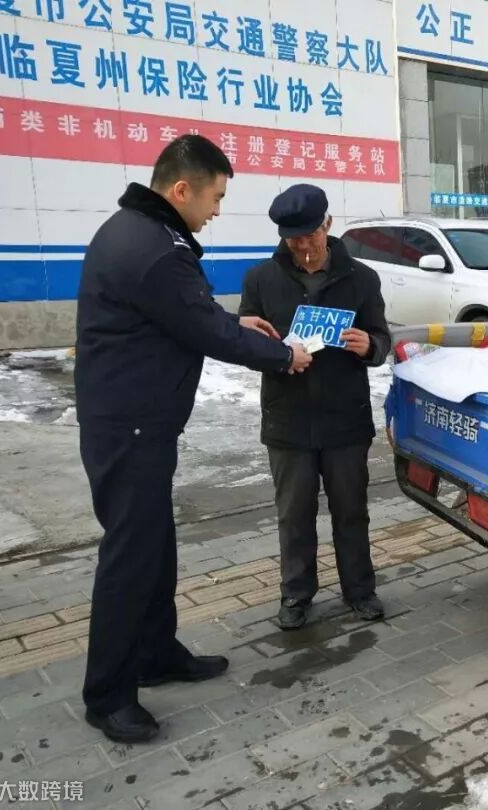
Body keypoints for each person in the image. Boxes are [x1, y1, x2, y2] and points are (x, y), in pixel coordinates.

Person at [74, 135, 311, 744]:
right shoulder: (152, 246)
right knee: (131, 556)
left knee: (154, 546)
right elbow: (203, 330)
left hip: (138, 422)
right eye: (215, 197)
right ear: (182, 189)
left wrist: (231, 320)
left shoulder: (145, 233)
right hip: (129, 427)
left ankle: (155, 654)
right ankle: (108, 696)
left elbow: (184, 315)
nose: (217, 210)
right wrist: (282, 354)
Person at [239, 184, 391, 630]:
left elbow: (382, 337)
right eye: (293, 239)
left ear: (328, 224)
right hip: (288, 419)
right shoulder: (260, 279)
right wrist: (275, 354)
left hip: (345, 418)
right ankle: (296, 593)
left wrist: (369, 345)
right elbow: (248, 343)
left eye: (311, 235)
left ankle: (360, 590)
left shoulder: (361, 278)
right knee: (294, 515)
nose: (303, 245)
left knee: (351, 510)